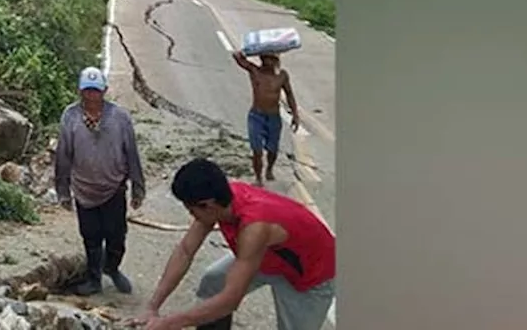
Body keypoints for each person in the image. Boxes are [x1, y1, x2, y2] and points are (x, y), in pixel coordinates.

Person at [131, 159, 335, 330]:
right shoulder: (223, 200)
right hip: (266, 255)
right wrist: (152, 307)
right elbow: (185, 251)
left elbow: (230, 300)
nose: (191, 216)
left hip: (311, 273)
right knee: (214, 281)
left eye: (192, 210)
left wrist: (169, 323)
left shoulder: (255, 227)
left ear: (208, 205)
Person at [55, 67, 147, 296]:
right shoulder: (70, 116)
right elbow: (63, 154)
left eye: (96, 91)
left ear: (104, 91)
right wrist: (63, 190)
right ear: (80, 91)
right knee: (91, 236)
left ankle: (112, 267)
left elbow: (131, 153)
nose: (91, 96)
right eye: (87, 91)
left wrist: (138, 186)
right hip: (84, 189)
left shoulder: (120, 118)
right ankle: (94, 278)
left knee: (117, 236)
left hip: (113, 187)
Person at [231, 51, 300, 186]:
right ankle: (258, 177)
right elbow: (238, 58)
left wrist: (295, 114)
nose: (269, 62)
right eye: (266, 58)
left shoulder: (282, 76)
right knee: (257, 150)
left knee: (272, 149)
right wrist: (246, 51)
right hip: (256, 116)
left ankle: (269, 168)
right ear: (261, 59)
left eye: (272, 59)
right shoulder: (255, 71)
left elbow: (289, 95)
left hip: (273, 117)